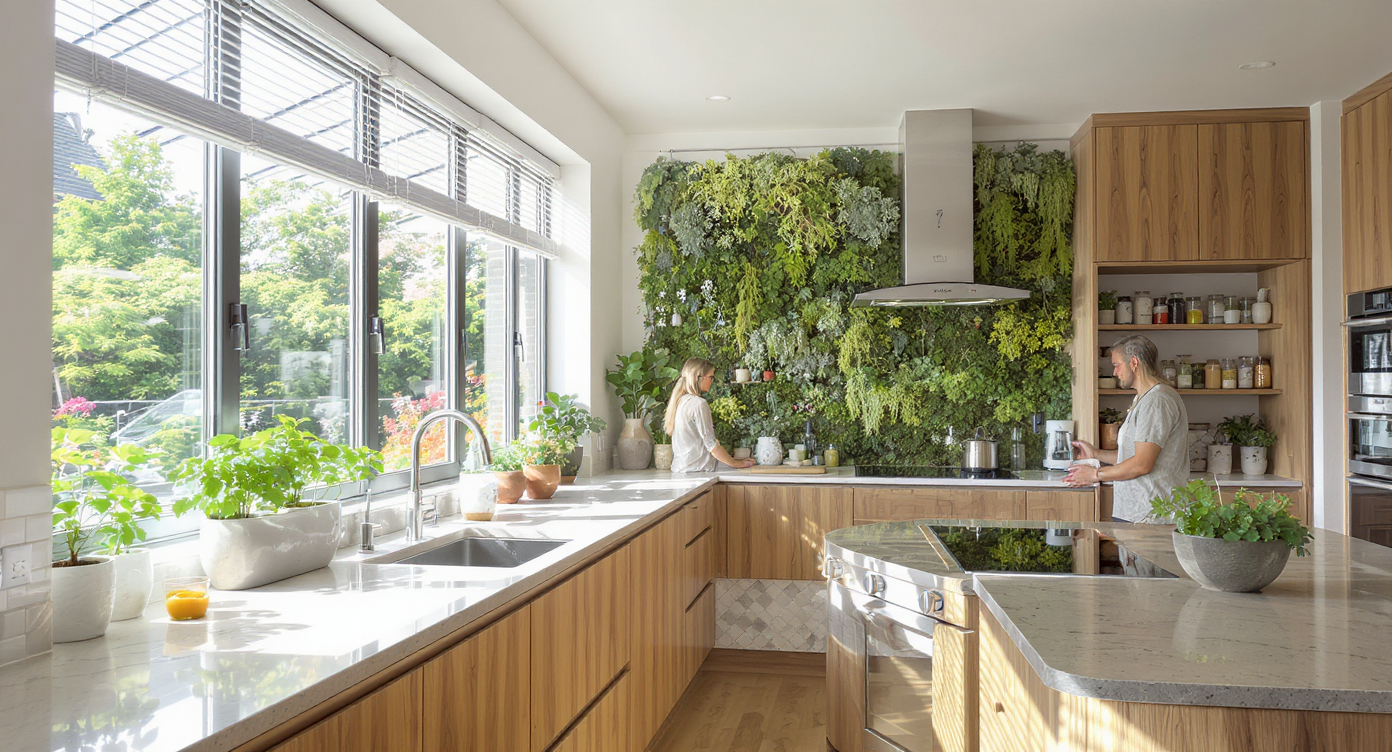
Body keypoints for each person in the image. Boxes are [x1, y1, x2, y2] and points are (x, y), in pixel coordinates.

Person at [1066, 335, 1189, 523]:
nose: (1115, 373)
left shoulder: (1157, 401)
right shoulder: (1144, 398)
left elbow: (1141, 464)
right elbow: (1133, 455)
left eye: (1116, 365)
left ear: (1133, 363)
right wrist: (1096, 454)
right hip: (1138, 513)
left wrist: (1094, 475)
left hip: (1151, 516)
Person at [665, 357, 756, 473]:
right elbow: (711, 445)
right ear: (699, 377)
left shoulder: (681, 401)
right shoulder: (698, 404)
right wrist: (735, 463)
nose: (712, 381)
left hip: (681, 469)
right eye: (711, 377)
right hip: (697, 471)